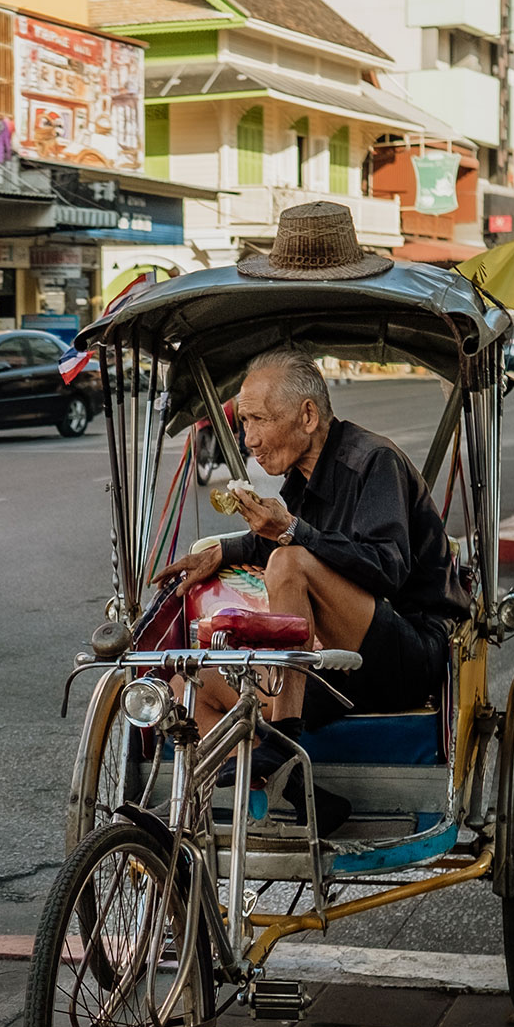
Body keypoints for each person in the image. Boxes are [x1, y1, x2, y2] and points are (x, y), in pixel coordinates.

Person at [154, 340, 464, 832]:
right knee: (184, 687)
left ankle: (282, 735)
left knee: (290, 562)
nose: (249, 439)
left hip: (406, 653)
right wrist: (222, 551)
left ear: (307, 415)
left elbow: (387, 569)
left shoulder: (374, 461)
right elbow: (274, 538)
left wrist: (292, 534)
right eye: (244, 424)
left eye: (258, 420)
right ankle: (299, 788)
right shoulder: (303, 474)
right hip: (330, 663)